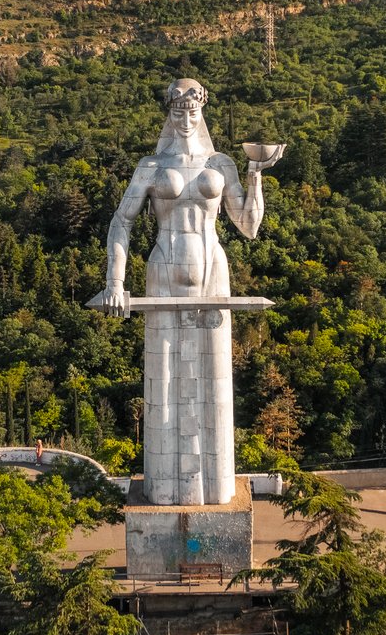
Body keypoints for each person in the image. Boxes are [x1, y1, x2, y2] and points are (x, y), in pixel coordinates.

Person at [103, 78, 281, 505]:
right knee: (163, 381)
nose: (185, 119)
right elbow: (121, 222)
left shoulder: (221, 164)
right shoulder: (150, 165)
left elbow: (249, 226)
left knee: (215, 385)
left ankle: (216, 486)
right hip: (163, 270)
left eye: (193, 111)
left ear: (203, 113)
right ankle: (164, 489)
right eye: (178, 111)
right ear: (169, 113)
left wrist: (255, 175)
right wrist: (115, 282)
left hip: (213, 273)